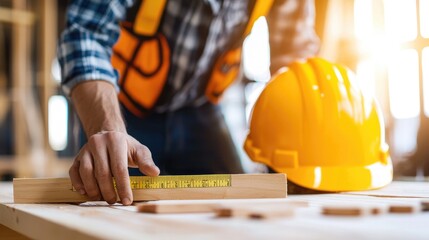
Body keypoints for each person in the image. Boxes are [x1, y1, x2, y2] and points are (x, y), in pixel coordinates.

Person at [57, 0, 319, 205]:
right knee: (109, 207)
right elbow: (86, 34)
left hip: (201, 109)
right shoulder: (113, 124)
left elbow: (294, 58)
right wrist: (107, 127)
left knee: (243, 209)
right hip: (122, 115)